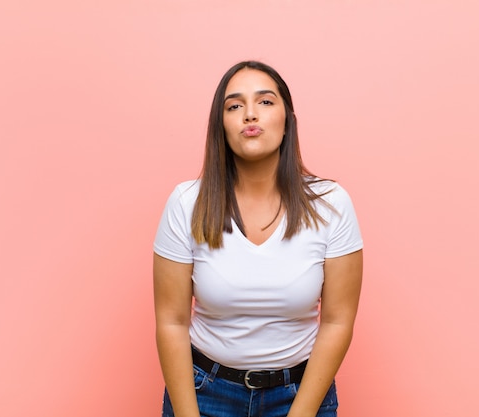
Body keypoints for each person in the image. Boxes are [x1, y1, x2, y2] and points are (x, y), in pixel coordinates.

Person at [153, 60, 363, 417]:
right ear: (221, 126)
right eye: (234, 106)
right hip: (205, 393)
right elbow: (171, 321)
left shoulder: (332, 203)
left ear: (288, 120)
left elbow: (338, 321)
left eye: (265, 102)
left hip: (301, 395)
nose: (250, 114)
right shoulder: (187, 203)